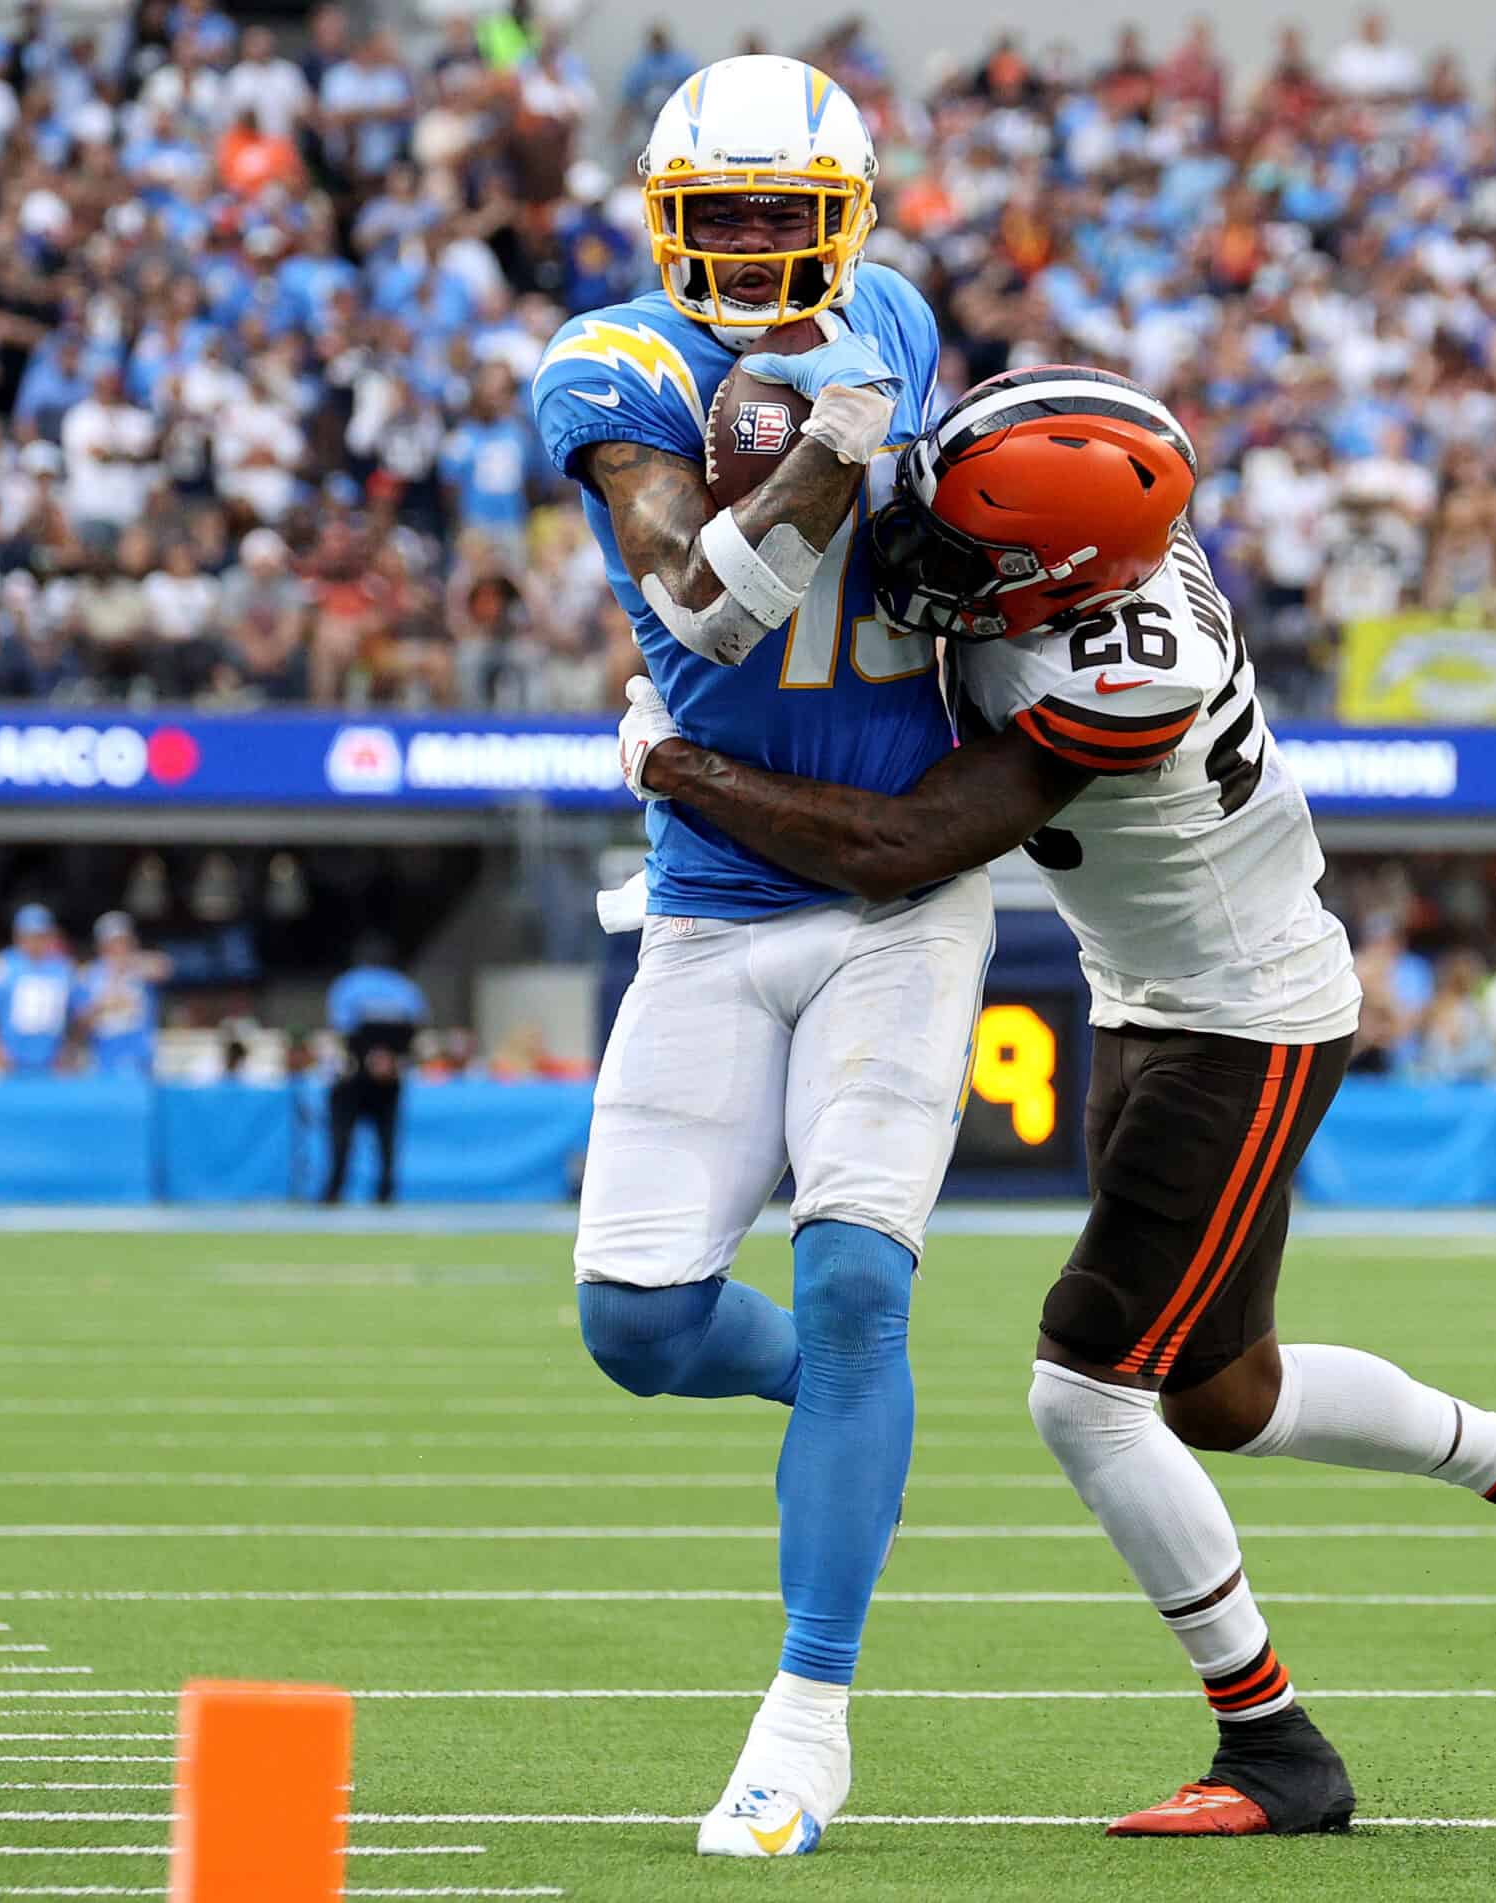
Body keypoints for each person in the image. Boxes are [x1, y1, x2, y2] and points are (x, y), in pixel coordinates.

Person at [621, 368, 1496, 1838]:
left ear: (1057, 572)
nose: (931, 555)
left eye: (975, 547)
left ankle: (1273, 1741)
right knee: (1220, 1389)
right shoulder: (1097, 547)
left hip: (1242, 1029)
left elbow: (902, 841)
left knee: (1085, 1387)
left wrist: (675, 765)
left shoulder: (1115, 672)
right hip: (1152, 998)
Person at [530, 54, 986, 1860]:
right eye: (713, 215)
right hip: (711, 891)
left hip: (901, 892)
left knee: (863, 1279)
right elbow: (701, 594)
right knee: (634, 1326)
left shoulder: (890, 309)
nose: (743, 247)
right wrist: (828, 454)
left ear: (841, 220)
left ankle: (807, 1716)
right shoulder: (610, 363)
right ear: (663, 220)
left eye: (777, 216)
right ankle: (851, 1417)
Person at [320, 937, 426, 1204]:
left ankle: (334, 1191)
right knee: (386, 1137)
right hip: (390, 1075)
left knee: (342, 1135)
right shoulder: (405, 987)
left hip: (354, 1072)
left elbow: (341, 1027)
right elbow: (416, 1026)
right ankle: (386, 1192)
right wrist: (388, 1058)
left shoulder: (348, 984)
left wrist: (368, 1057)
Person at [0, 903, 75, 1074]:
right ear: (18, 936)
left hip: (50, 1063)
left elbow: (73, 1014)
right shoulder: (2, 966)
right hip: (10, 1063)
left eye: (40, 935)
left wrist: (68, 1048)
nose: (35, 942)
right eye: (29, 935)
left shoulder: (62, 968)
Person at [72, 911, 161, 1077]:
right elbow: (80, 1023)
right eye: (112, 942)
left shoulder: (142, 968)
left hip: (139, 1057)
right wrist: (102, 1003)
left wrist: (129, 966)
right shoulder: (89, 975)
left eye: (123, 941)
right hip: (103, 1057)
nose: (118, 948)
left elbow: (163, 968)